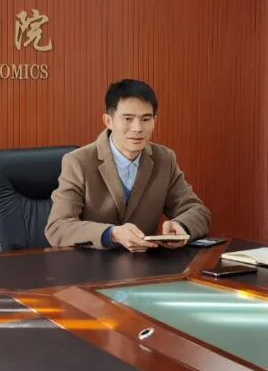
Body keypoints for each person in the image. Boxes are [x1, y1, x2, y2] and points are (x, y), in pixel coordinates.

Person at [45, 79, 211, 251]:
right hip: (91, 263)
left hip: (146, 263)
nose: (137, 128)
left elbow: (197, 211)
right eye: (128, 119)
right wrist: (112, 234)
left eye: (146, 119)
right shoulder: (78, 162)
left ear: (154, 121)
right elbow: (58, 227)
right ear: (108, 121)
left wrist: (181, 226)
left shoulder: (164, 159)